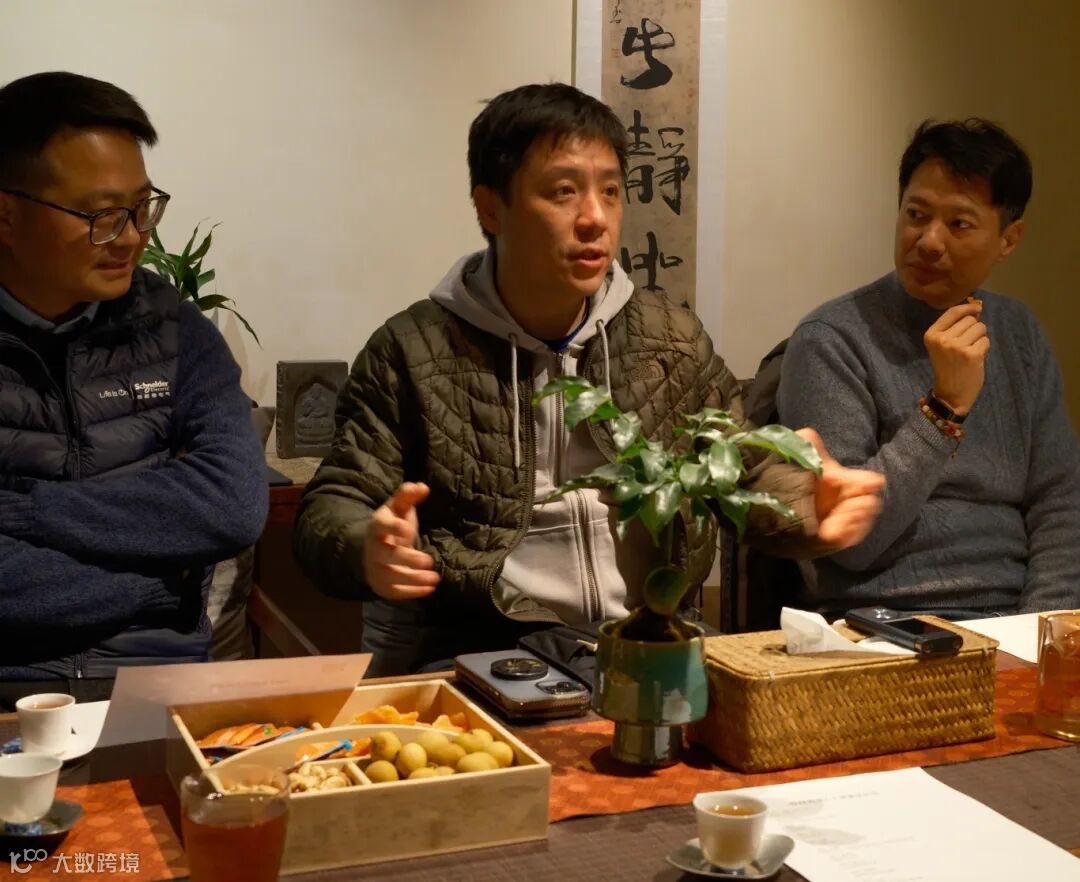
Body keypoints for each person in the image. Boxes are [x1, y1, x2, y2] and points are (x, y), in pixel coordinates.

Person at [294, 83, 883, 675]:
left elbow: (739, 467)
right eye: (563, 192)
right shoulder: (411, 349)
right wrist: (365, 548)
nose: (595, 219)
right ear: (491, 208)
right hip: (484, 650)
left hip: (650, 637)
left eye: (610, 191)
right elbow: (335, 502)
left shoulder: (668, 338)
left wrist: (807, 504)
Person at [0, 72, 268, 706]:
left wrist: (24, 514)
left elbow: (232, 505)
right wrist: (164, 577)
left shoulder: (175, 330)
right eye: (100, 215)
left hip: (158, 681)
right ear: (6, 214)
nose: (131, 237)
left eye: (142, 207)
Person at [777, 118, 1080, 618]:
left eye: (959, 224)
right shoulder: (831, 338)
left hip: (1017, 621)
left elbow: (1061, 501)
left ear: (1008, 239)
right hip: (882, 623)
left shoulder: (1019, 333)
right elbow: (847, 546)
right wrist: (943, 411)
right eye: (916, 215)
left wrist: (1045, 627)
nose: (929, 241)